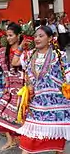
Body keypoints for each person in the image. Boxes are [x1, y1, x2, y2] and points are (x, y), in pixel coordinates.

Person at [12, 26, 70, 154]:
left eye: (41, 36)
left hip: (57, 108)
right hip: (36, 107)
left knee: (57, 145)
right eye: (36, 36)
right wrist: (21, 45)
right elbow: (14, 62)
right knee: (28, 142)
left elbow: (68, 76)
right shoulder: (28, 55)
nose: (37, 38)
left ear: (50, 38)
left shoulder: (59, 56)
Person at [0, 22, 26, 151]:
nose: (8, 38)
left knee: (22, 117)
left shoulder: (26, 52)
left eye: (11, 35)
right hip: (10, 88)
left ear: (19, 36)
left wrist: (22, 46)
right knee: (0, 113)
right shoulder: (3, 52)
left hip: (23, 89)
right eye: (6, 36)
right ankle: (10, 140)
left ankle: (24, 143)